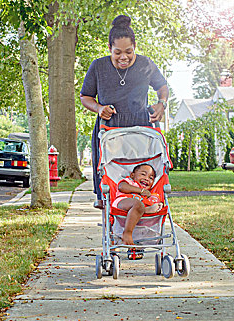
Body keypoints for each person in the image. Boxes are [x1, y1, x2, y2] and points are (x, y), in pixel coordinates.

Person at [80, 14, 169, 210]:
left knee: (141, 172)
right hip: (109, 128)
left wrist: (161, 103)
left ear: (134, 47)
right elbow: (85, 96)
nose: (124, 57)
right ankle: (110, 211)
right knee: (109, 176)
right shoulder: (98, 66)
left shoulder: (145, 64)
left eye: (129, 51)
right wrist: (98, 108)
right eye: (118, 52)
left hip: (140, 127)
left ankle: (140, 212)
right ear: (109, 48)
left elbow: (162, 87)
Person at [112, 164, 163, 259]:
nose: (147, 178)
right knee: (139, 205)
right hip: (122, 203)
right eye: (143, 174)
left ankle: (146, 210)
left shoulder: (149, 194)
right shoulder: (129, 182)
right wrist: (140, 190)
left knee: (140, 205)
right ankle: (127, 233)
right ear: (132, 175)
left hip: (136, 212)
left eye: (151, 178)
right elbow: (121, 187)